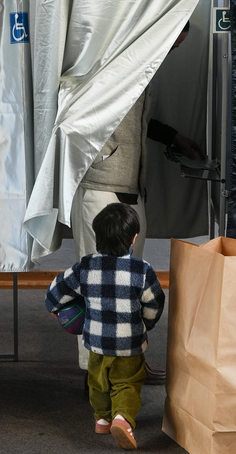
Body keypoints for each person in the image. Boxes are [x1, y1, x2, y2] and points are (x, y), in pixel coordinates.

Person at [70, 22, 202, 383]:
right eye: (173, 43)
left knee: (126, 284)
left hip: (128, 188)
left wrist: (174, 136)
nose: (173, 51)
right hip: (101, 185)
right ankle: (94, 373)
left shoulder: (142, 68)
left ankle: (130, 362)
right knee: (97, 283)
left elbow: (137, 123)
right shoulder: (116, 62)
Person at [46, 203, 165, 450]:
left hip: (96, 342)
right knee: (128, 382)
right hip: (129, 343)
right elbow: (154, 304)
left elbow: (56, 290)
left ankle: (102, 418)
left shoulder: (85, 266)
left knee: (97, 381)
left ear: (97, 236)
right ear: (133, 238)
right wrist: (146, 325)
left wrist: (56, 309)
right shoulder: (142, 271)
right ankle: (123, 418)